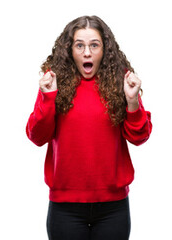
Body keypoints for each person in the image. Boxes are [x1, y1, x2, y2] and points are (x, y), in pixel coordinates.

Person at [26, 15, 152, 240]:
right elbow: (37, 136)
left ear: (105, 49)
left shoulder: (120, 81)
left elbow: (139, 136)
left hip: (113, 208)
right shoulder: (54, 82)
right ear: (70, 50)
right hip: (65, 208)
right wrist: (47, 98)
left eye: (94, 45)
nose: (87, 53)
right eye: (80, 45)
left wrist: (132, 102)